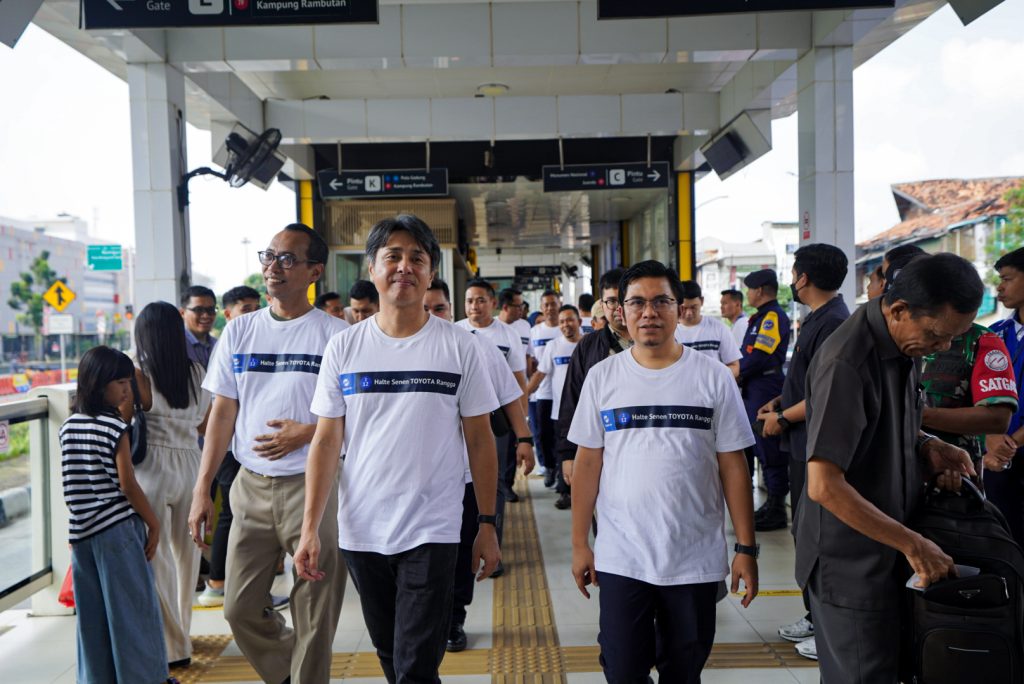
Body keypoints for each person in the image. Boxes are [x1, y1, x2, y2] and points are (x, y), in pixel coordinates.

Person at [295, 214, 501, 684]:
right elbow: (326, 440)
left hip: (434, 526)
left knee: (415, 665)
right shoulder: (344, 348)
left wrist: (487, 524)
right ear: (372, 268)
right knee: (391, 654)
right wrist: (310, 529)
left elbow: (480, 439)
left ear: (431, 274)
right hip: (362, 528)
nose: (404, 266)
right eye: (393, 256)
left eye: (417, 258)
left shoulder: (460, 347)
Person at [795, 252, 982, 684]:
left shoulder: (905, 344)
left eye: (953, 338)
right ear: (898, 310)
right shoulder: (847, 362)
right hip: (851, 565)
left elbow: (883, 424)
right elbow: (824, 485)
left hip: (888, 548)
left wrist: (928, 445)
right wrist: (914, 545)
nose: (943, 347)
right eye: (937, 335)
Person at [569, 260, 759, 684]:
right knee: (622, 670)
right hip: (621, 556)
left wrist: (746, 548)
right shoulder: (602, 377)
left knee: (683, 672)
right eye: (637, 302)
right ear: (621, 311)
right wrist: (580, 543)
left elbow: (733, 465)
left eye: (661, 302)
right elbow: (587, 463)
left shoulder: (713, 377)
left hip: (694, 558)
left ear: (679, 308)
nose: (649, 313)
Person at [188, 223, 349, 684]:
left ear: (314, 271)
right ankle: (289, 671)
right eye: (270, 256)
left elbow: (356, 414)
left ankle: (306, 676)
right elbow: (223, 413)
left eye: (287, 259)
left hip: (314, 487)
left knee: (314, 609)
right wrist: (203, 488)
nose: (273, 266)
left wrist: (308, 433)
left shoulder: (336, 335)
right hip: (251, 486)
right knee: (238, 608)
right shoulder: (239, 331)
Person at [423, 278, 535, 651]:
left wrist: (524, 439)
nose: (431, 315)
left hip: (465, 474)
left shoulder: (473, 346)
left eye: (438, 308)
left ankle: (454, 618)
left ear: (450, 309)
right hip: (414, 479)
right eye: (425, 308)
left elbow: (509, 394)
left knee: (459, 552)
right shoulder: (387, 350)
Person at [753, 244, 850, 658]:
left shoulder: (834, 323)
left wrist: (784, 417)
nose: (791, 281)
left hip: (816, 444)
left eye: (794, 274)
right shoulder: (818, 318)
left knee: (820, 537)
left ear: (804, 278)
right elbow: (809, 380)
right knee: (806, 535)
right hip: (802, 443)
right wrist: (781, 401)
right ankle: (815, 616)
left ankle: (828, 629)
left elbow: (829, 393)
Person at [61, 346, 175, 684]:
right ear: (98, 384)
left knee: (92, 619)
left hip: (82, 533)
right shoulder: (114, 426)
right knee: (134, 613)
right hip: (118, 531)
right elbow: (128, 485)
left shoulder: (68, 426)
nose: (128, 390)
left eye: (129, 382)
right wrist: (153, 523)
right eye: (121, 383)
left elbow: (71, 481)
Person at [132, 302, 213, 669]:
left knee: (157, 557)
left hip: (152, 468)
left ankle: (172, 646)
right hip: (191, 464)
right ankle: (183, 634)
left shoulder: (138, 373)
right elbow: (204, 425)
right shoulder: (197, 372)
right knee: (187, 558)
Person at [199, 285, 284, 608]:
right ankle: (219, 582)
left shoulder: (257, 338)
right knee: (229, 516)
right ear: (229, 313)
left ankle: (238, 585)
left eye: (254, 306)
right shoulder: (234, 338)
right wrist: (202, 485)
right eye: (245, 308)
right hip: (232, 452)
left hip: (256, 454)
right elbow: (219, 410)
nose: (253, 313)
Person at [556, 269, 632, 498]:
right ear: (601, 304)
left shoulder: (655, 343)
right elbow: (572, 399)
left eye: (626, 300)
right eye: (612, 301)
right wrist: (568, 454)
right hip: (599, 446)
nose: (619, 308)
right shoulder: (588, 347)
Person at [458, 278, 529, 504]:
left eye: (480, 300)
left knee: (501, 453)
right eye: (469, 301)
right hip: (466, 408)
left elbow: (518, 379)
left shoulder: (508, 334)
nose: (474, 306)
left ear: (493, 303)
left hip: (500, 406)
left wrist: (523, 422)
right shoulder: (457, 331)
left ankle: (503, 488)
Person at [737, 269, 791, 531]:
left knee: (770, 446)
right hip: (755, 386)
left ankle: (777, 507)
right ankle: (771, 503)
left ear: (759, 290)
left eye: (750, 289)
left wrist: (735, 372)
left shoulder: (771, 317)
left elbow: (759, 357)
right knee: (760, 446)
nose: (748, 293)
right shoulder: (760, 317)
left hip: (765, 386)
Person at [525, 304, 583, 508]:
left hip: (587, 412)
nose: (566, 325)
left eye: (570, 320)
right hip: (562, 412)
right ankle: (565, 492)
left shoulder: (588, 344)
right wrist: (523, 397)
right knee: (564, 453)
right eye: (562, 321)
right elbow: (540, 374)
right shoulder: (553, 346)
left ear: (579, 322)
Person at [985, 246, 1024, 547]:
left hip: (1007, 450)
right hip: (996, 458)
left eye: (1007, 279)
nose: (999, 287)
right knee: (1004, 540)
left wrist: (1009, 444)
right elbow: (979, 393)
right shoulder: (994, 334)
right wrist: (991, 439)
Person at [527, 290, 563, 492]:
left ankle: (560, 469)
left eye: (553, 304)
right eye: (546, 305)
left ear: (559, 305)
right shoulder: (535, 332)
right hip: (541, 392)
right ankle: (549, 466)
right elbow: (531, 361)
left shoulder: (564, 328)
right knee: (542, 433)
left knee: (560, 434)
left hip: (562, 393)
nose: (550, 308)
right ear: (541, 308)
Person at [675, 280, 741, 376]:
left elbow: (734, 366)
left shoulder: (719, 328)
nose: (689, 313)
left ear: (702, 301)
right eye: (684, 308)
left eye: (693, 307)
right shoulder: (669, 332)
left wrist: (714, 379)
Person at [180, 285, 218, 368]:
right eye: (198, 310)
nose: (206, 316)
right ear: (182, 313)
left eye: (211, 310)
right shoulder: (176, 345)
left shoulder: (219, 345)